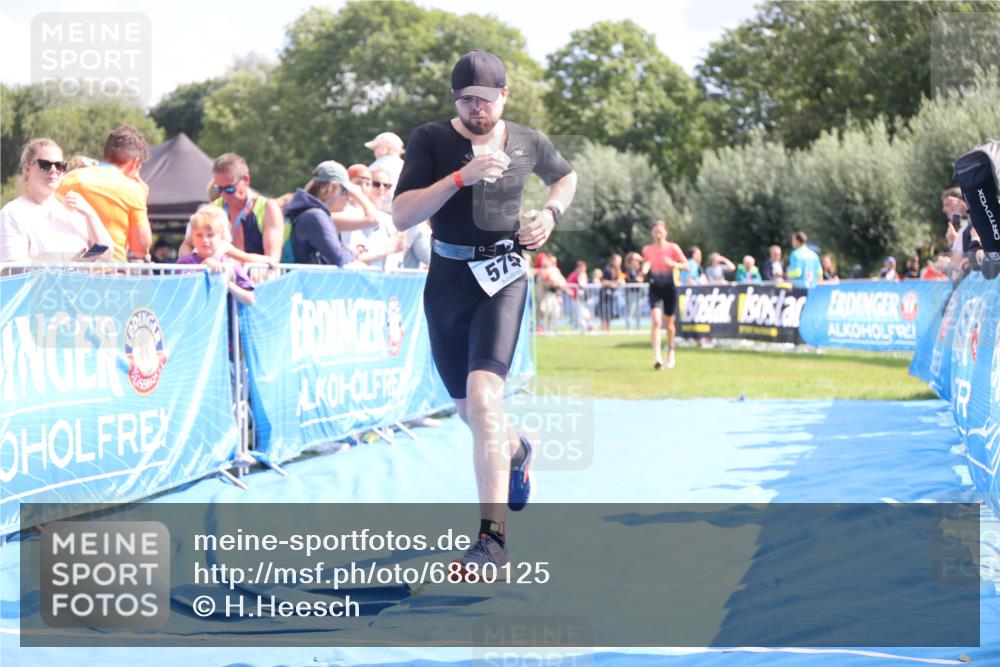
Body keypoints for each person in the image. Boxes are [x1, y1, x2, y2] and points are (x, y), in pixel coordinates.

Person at [392, 49, 576, 575]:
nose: (477, 110)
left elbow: (566, 178)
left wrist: (550, 213)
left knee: (483, 395)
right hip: (447, 279)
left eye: (486, 100)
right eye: (467, 101)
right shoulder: (431, 139)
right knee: (472, 414)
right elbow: (401, 214)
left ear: (505, 96)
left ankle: (491, 541)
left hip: (505, 276)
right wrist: (460, 177)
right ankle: (518, 452)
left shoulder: (526, 140)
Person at [1, 138, 113, 263]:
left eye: (60, 165)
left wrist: (90, 213)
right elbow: (12, 270)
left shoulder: (76, 212)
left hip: (78, 282)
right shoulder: (13, 213)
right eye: (45, 165)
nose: (54, 170)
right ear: (27, 169)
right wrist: (63, 265)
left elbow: (105, 256)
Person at [57, 124, 151, 262]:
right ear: (135, 163)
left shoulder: (69, 178)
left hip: (70, 270)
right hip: (110, 274)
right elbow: (140, 249)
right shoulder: (133, 190)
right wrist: (143, 200)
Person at [210, 153, 287, 263]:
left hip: (260, 277)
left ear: (246, 180)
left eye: (229, 189)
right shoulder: (215, 208)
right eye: (218, 189)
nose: (223, 194)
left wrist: (233, 254)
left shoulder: (268, 208)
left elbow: (273, 259)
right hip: (224, 277)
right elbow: (188, 244)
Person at [177, 205, 255, 305]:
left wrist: (226, 282)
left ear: (221, 237)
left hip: (224, 320)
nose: (205, 240)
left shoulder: (230, 265)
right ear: (192, 238)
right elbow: (180, 290)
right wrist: (202, 268)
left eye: (210, 235)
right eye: (199, 235)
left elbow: (250, 299)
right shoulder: (185, 262)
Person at [640, 220, 687, 369]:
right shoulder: (647, 249)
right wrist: (644, 270)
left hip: (670, 287)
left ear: (666, 233)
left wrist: (674, 264)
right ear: (652, 233)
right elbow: (647, 262)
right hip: (655, 286)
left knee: (669, 324)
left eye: (660, 231)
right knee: (656, 321)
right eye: (655, 231)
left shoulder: (673, 248)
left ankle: (670, 352)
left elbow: (687, 265)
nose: (658, 234)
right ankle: (657, 357)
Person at [365, 132, 406, 204]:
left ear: (382, 149)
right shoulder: (406, 166)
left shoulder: (375, 167)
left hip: (379, 210)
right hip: (403, 209)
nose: (374, 152)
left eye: (375, 148)